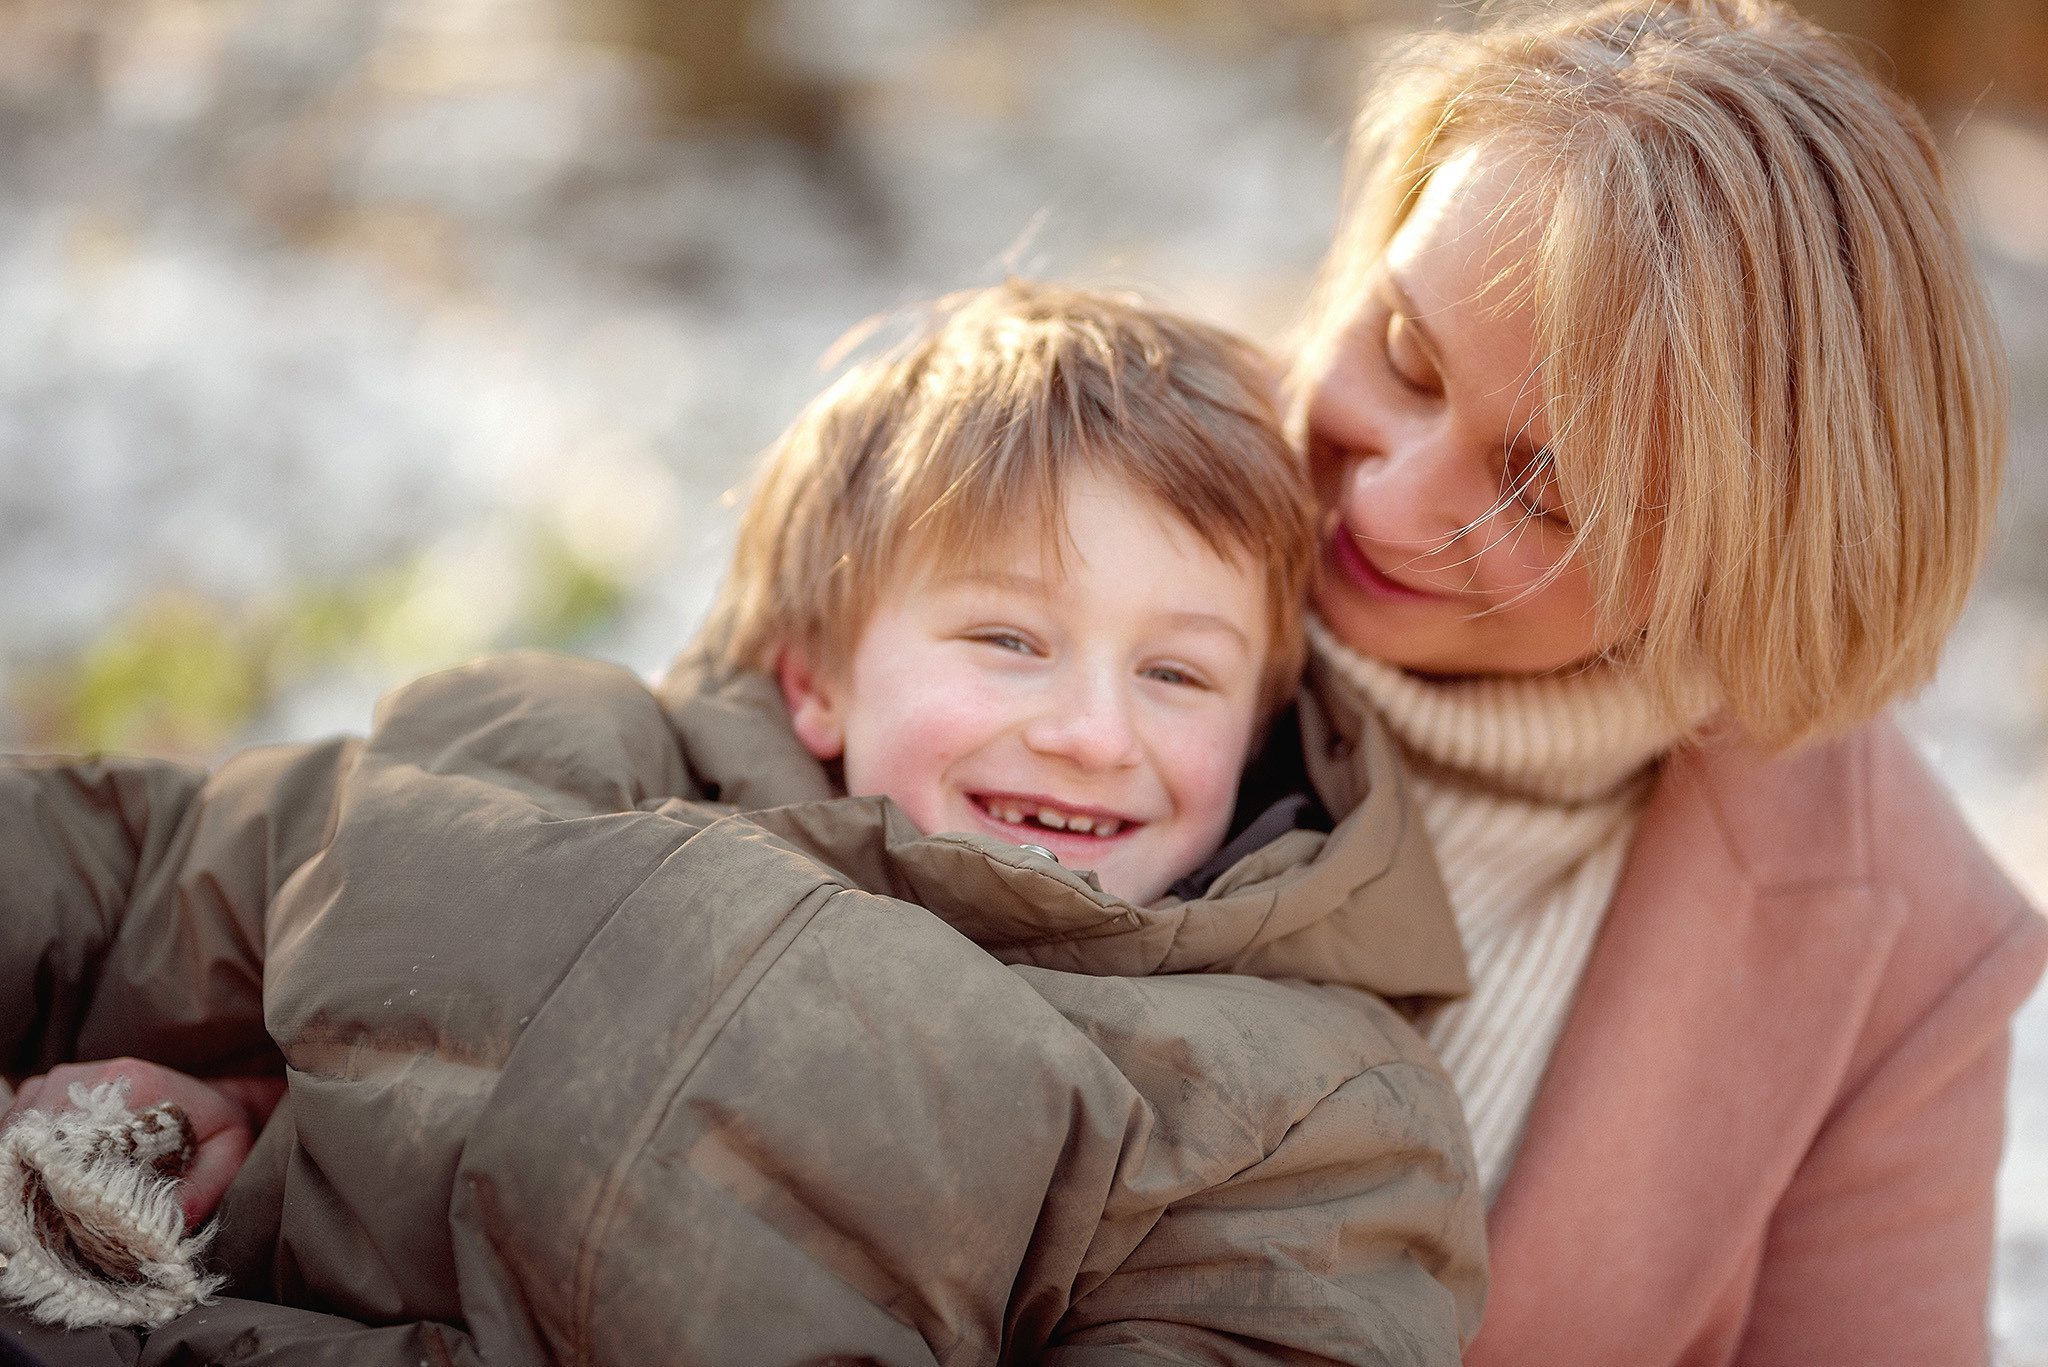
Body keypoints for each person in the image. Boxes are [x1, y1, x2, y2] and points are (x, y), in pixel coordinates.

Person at [0, 281, 1486, 1366]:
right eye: (1010, 642)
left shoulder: (1299, 1106)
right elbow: (122, 872)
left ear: (1259, 717)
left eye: (1176, 673)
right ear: (817, 674)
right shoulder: (538, 765)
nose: (1094, 732)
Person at [1264, 0, 2048, 1362]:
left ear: (1759, 554)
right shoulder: (1056, 525)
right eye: (1405, 357)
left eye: (1547, 495)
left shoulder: (1908, 948)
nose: (1386, 504)